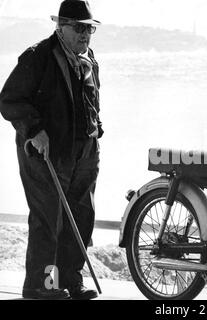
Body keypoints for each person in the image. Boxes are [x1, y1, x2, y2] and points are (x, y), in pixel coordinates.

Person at [0, 0, 103, 300]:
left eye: (89, 29)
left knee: (82, 218)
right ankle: (40, 286)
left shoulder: (89, 60)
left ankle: (70, 280)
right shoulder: (39, 57)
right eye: (79, 28)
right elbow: (9, 100)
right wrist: (34, 130)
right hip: (45, 155)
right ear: (61, 26)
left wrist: (97, 134)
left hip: (83, 156)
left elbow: (92, 104)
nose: (85, 35)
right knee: (49, 218)